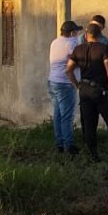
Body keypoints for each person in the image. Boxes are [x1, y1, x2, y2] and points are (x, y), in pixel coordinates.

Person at [65, 21, 108, 161]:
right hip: (100, 91)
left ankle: (93, 155)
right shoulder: (104, 49)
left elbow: (68, 70)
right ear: (99, 35)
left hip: (84, 91)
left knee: (89, 124)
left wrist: (77, 85)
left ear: (86, 35)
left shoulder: (78, 49)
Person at [47, 20, 81, 154]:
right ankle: (69, 146)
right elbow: (76, 62)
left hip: (53, 81)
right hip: (66, 83)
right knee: (67, 116)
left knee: (58, 114)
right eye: (76, 32)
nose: (77, 34)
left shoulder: (54, 42)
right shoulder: (72, 43)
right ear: (72, 33)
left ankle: (59, 143)